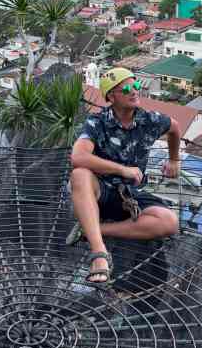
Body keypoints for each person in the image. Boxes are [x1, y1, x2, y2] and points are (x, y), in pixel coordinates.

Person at [68, 67, 181, 285]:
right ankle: (99, 253)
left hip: (129, 194)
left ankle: (92, 230)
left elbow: (174, 128)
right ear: (111, 96)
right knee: (80, 174)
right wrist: (122, 169)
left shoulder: (150, 120)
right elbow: (78, 156)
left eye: (136, 85)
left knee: (169, 222)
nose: (135, 91)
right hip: (100, 192)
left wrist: (174, 159)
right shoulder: (97, 122)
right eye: (127, 89)